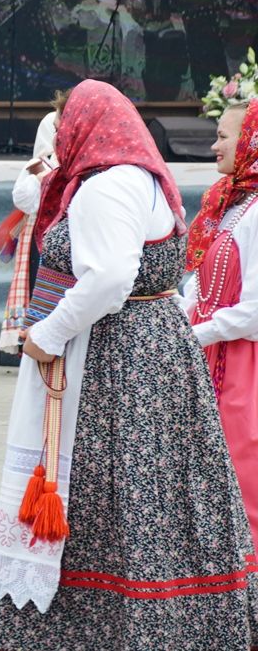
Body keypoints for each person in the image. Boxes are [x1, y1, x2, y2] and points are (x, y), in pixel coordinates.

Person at [0, 80, 258, 650]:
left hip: (120, 361)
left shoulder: (107, 186)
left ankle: (103, 632)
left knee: (114, 495)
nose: (60, 138)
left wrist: (48, 334)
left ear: (89, 126)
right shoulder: (141, 178)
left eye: (65, 126)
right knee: (159, 493)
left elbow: (109, 279)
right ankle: (174, 627)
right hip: (157, 352)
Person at [185, 99, 258, 547]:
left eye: (224, 135)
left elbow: (255, 309)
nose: (215, 145)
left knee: (244, 480)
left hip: (243, 367)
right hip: (214, 358)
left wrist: (194, 334)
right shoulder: (231, 205)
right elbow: (199, 282)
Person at [0, 93, 63, 354]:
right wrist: (46, 174)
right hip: (42, 237)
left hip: (69, 240)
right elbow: (24, 199)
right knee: (39, 294)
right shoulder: (40, 163)